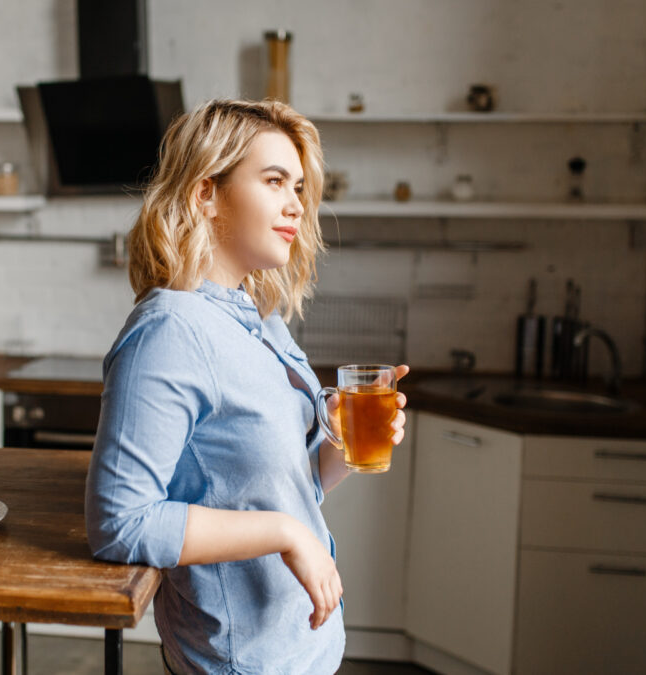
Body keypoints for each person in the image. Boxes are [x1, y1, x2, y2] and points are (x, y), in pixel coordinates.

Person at [85, 98, 409, 674]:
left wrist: (340, 441)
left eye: (300, 186)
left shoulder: (258, 322)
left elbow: (284, 486)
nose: (295, 204)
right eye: (275, 180)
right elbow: (120, 523)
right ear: (205, 193)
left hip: (301, 650)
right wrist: (286, 535)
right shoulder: (170, 329)